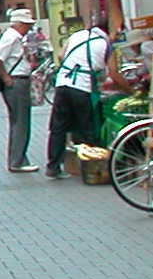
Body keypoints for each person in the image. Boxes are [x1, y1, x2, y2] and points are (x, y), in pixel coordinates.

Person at [45, 15, 112, 178]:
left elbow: (61, 56)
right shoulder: (105, 44)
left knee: (58, 127)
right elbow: (107, 72)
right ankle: (89, 167)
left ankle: (53, 166)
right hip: (82, 87)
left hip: (62, 83)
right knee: (86, 127)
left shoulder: (78, 35)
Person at [0, 6, 42, 173]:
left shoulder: (15, 37)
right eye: (26, 24)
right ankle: (17, 161)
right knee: (21, 122)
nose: (29, 28)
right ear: (18, 24)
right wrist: (6, 77)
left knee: (17, 121)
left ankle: (18, 158)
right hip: (16, 82)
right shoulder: (12, 37)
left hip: (18, 81)